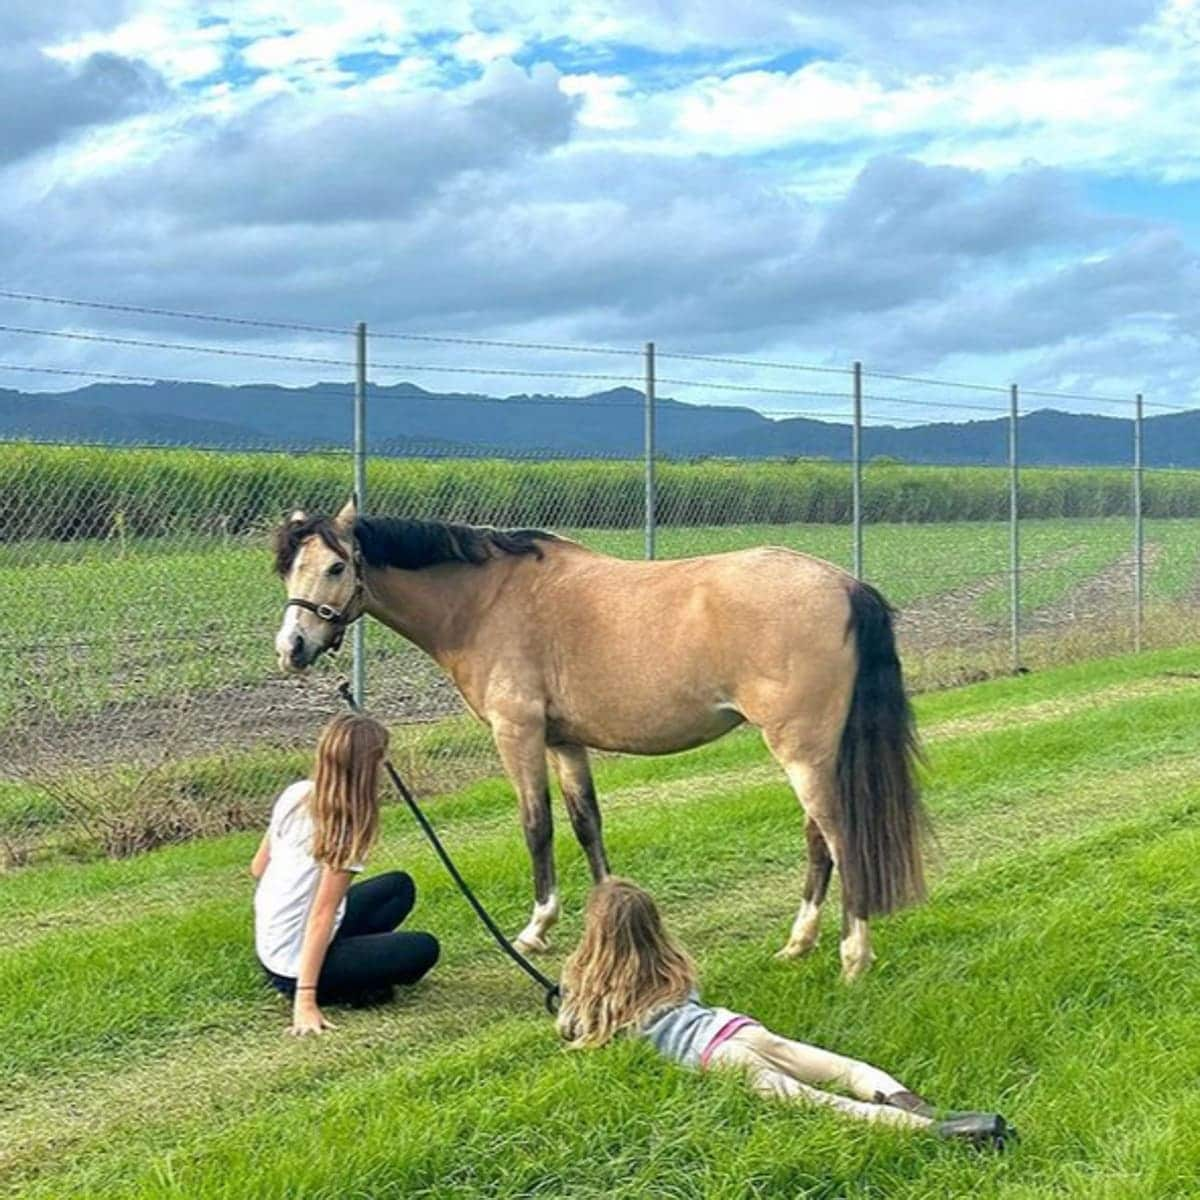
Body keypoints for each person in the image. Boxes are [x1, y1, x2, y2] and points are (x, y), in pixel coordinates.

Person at [556, 877, 1013, 1150]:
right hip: (736, 1028)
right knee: (846, 1069)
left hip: (720, 1059)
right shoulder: (674, 969)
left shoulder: (594, 992)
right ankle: (926, 1109)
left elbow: (571, 1028)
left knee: (823, 1103)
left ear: (595, 937)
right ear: (653, 926)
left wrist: (569, 998)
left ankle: (936, 1132)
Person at [251, 713, 439, 1035]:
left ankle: (346, 961)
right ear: (368, 769)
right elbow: (321, 915)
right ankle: (339, 985)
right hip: (291, 968)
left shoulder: (296, 793)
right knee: (424, 948)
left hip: (271, 942)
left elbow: (258, 868)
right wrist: (306, 1000)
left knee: (398, 887)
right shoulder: (347, 828)